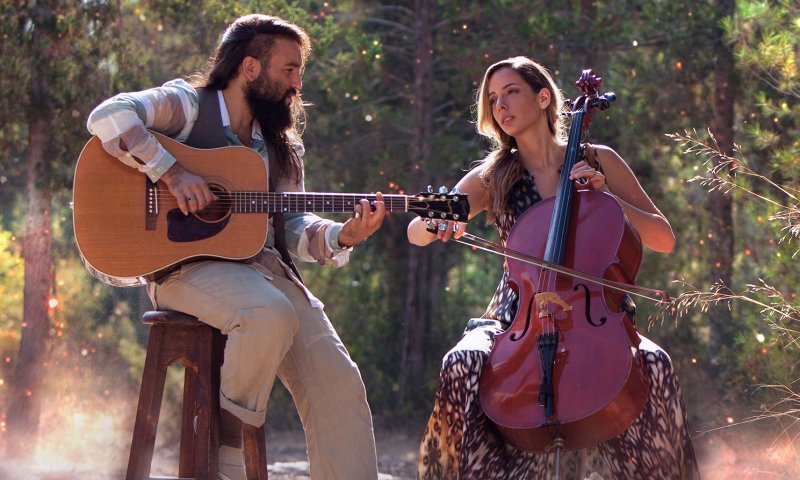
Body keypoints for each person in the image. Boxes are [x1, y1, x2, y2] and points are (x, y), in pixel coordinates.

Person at [87, 14, 385, 480]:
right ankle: (230, 454)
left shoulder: (280, 143)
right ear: (250, 67)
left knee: (339, 382)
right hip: (184, 268)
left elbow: (287, 223)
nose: (297, 82)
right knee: (268, 313)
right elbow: (107, 117)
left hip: (261, 268)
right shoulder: (187, 105)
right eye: (289, 69)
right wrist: (171, 172)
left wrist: (343, 235)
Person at [407, 56, 700, 479]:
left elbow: (663, 238)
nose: (500, 106)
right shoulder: (492, 176)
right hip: (516, 318)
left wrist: (607, 199)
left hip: (593, 316)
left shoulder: (599, 160)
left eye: (511, 92)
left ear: (543, 97)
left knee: (657, 365)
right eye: (492, 99)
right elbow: (419, 229)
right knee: (461, 363)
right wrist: (438, 223)